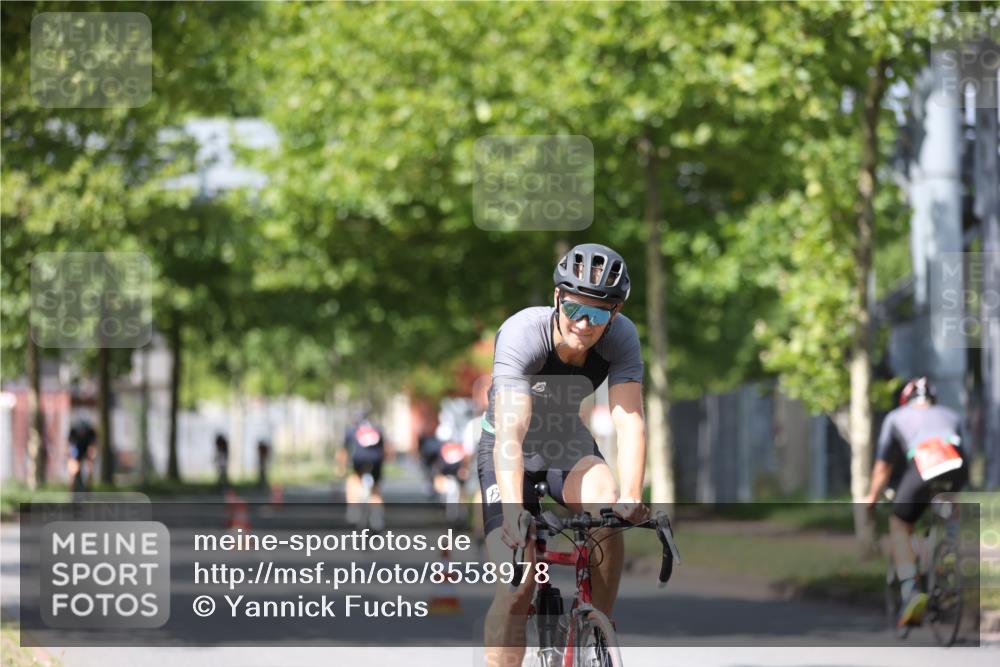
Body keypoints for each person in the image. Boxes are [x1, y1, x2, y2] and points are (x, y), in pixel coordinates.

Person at [478, 243, 648, 665]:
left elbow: (629, 420)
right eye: (575, 310)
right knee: (517, 586)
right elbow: (511, 434)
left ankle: (598, 631)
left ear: (617, 311)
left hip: (565, 443)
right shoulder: (523, 334)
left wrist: (630, 494)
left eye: (599, 314)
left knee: (607, 508)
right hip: (507, 449)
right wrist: (516, 510)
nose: (584, 324)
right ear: (557, 298)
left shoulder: (621, 337)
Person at [864, 376, 968, 627]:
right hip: (955, 465)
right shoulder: (951, 415)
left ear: (905, 400)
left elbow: (882, 468)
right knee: (948, 506)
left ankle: (911, 590)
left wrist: (871, 499)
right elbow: (968, 453)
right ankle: (949, 552)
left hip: (924, 463)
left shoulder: (896, 417)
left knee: (899, 523)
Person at [343, 411, 387, 530]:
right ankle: (377, 515)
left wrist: (341, 467)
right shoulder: (378, 429)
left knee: (353, 480)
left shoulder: (351, 430)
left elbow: (344, 451)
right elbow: (384, 450)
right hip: (376, 461)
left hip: (359, 460)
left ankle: (353, 508)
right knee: (375, 489)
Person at [67, 418, 97, 492]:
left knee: (89, 468)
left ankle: (88, 488)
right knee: (73, 470)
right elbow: (70, 447)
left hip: (86, 452)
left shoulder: (91, 433)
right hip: (76, 452)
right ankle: (72, 490)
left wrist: (90, 460)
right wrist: (72, 459)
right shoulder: (73, 433)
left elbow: (92, 448)